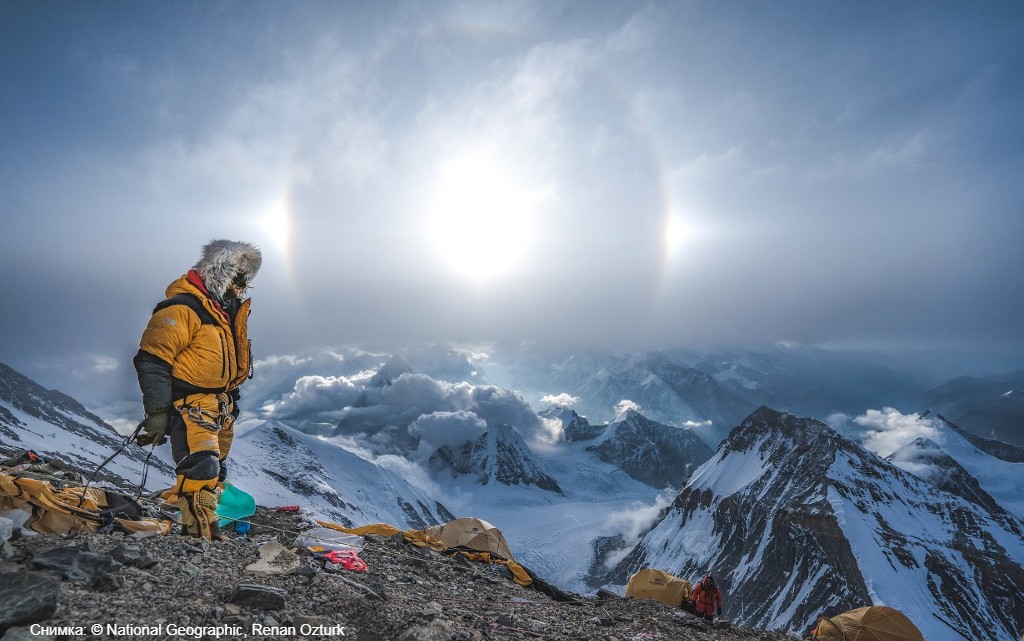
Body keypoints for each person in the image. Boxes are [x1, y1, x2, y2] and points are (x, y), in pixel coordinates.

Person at [133, 240, 261, 540]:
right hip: (190, 405)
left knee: (216, 471)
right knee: (199, 467)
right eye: (237, 277)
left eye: (245, 279)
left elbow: (222, 365)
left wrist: (231, 399)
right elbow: (152, 359)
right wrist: (157, 412)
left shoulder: (222, 315)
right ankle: (198, 534)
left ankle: (206, 528)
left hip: (218, 406)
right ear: (219, 274)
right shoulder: (183, 309)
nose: (241, 286)